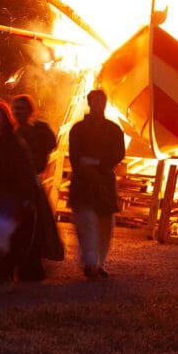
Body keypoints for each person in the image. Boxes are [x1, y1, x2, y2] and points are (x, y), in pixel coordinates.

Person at [0, 103, 63, 294]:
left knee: (2, 234)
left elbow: (26, 173)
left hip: (12, 201)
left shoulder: (15, 145)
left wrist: (28, 198)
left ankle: (1, 276)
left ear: (5, 121)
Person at [67, 89, 125, 280]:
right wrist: (88, 167)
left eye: (102, 101)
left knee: (104, 224)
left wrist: (99, 164)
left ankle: (99, 262)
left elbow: (119, 153)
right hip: (83, 182)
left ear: (105, 104)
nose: (99, 104)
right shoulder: (78, 129)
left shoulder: (114, 129)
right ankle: (90, 262)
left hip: (104, 180)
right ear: (89, 103)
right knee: (86, 222)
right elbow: (75, 156)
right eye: (96, 100)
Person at [11, 95, 58, 175]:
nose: (17, 112)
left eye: (21, 108)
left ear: (29, 110)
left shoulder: (41, 128)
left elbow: (52, 144)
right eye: (15, 108)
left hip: (33, 174)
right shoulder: (9, 130)